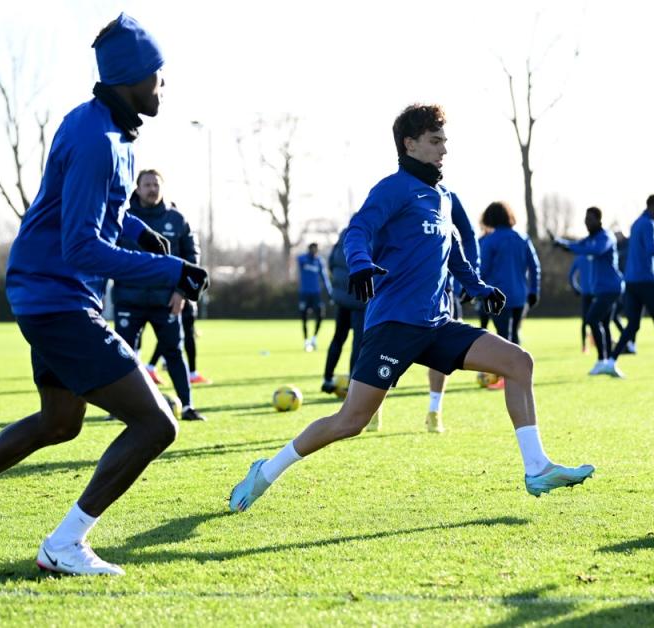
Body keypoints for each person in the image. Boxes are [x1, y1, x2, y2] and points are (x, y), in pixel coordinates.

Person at [0, 14, 209, 576]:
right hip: (58, 296)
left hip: (44, 293)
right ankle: (64, 544)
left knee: (60, 422)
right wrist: (168, 270)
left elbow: (94, 214)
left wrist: (135, 230)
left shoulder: (102, 127)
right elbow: (80, 246)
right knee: (157, 424)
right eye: (157, 76)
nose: (163, 86)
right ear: (130, 77)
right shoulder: (99, 140)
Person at [227, 104, 594, 514]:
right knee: (351, 422)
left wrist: (479, 286)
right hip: (394, 325)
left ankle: (537, 467)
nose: (443, 151)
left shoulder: (443, 197)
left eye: (444, 142)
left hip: (437, 323)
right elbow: (358, 231)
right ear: (410, 143)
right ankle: (266, 471)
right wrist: (361, 263)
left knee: (518, 361)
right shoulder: (393, 189)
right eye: (435, 142)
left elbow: (452, 252)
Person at [112, 169, 206, 421]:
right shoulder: (122, 217)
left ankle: (187, 406)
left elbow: (192, 257)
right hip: (128, 300)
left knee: (174, 352)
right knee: (122, 355)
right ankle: (119, 409)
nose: (152, 189)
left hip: (166, 301)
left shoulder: (177, 219)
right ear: (138, 188)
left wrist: (181, 291)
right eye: (147, 184)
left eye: (156, 184)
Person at [606, 194, 654, 378]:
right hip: (646, 282)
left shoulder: (636, 223)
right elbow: (651, 250)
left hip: (631, 282)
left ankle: (611, 362)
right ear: (652, 206)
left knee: (632, 325)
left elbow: (642, 256)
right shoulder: (648, 224)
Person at [424, 191, 479, 433]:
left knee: (440, 353)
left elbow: (467, 235)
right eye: (435, 148)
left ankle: (434, 411)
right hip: (400, 293)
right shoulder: (397, 190)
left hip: (443, 291)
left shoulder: (448, 197)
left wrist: (471, 276)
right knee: (388, 354)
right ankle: (374, 410)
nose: (441, 152)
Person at [551, 208, 624, 375]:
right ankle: (607, 363)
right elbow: (576, 245)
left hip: (611, 288)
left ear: (599, 220)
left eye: (590, 219)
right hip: (601, 289)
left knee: (592, 319)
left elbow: (596, 250)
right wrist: (562, 243)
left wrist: (573, 248)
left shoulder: (606, 237)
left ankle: (602, 360)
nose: (586, 222)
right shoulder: (590, 239)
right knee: (603, 323)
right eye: (585, 219)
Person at [478, 201, 540, 351]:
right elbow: (534, 267)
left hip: (497, 297)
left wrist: (473, 288)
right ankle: (516, 372)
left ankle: (502, 373)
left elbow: (483, 270)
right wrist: (534, 291)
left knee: (503, 338)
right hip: (520, 296)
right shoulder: (522, 238)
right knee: (514, 338)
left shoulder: (489, 241)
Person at [321, 228, 366, 394]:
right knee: (358, 342)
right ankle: (353, 386)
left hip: (341, 297)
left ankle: (327, 378)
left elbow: (331, 263)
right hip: (360, 298)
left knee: (338, 338)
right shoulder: (369, 233)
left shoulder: (343, 236)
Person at [297, 242, 332, 352]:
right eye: (312, 249)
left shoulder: (319, 262)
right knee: (304, 317)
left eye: (316, 249)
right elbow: (299, 259)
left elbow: (325, 278)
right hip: (304, 293)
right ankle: (306, 340)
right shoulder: (303, 259)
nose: (314, 251)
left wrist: (330, 293)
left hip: (316, 294)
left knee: (320, 315)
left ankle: (314, 338)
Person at [568, 254, 594, 353]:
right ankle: (596, 342)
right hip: (596, 292)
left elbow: (571, 275)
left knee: (585, 321)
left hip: (585, 293)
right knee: (597, 320)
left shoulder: (579, 257)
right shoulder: (596, 254)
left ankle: (584, 346)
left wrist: (576, 289)